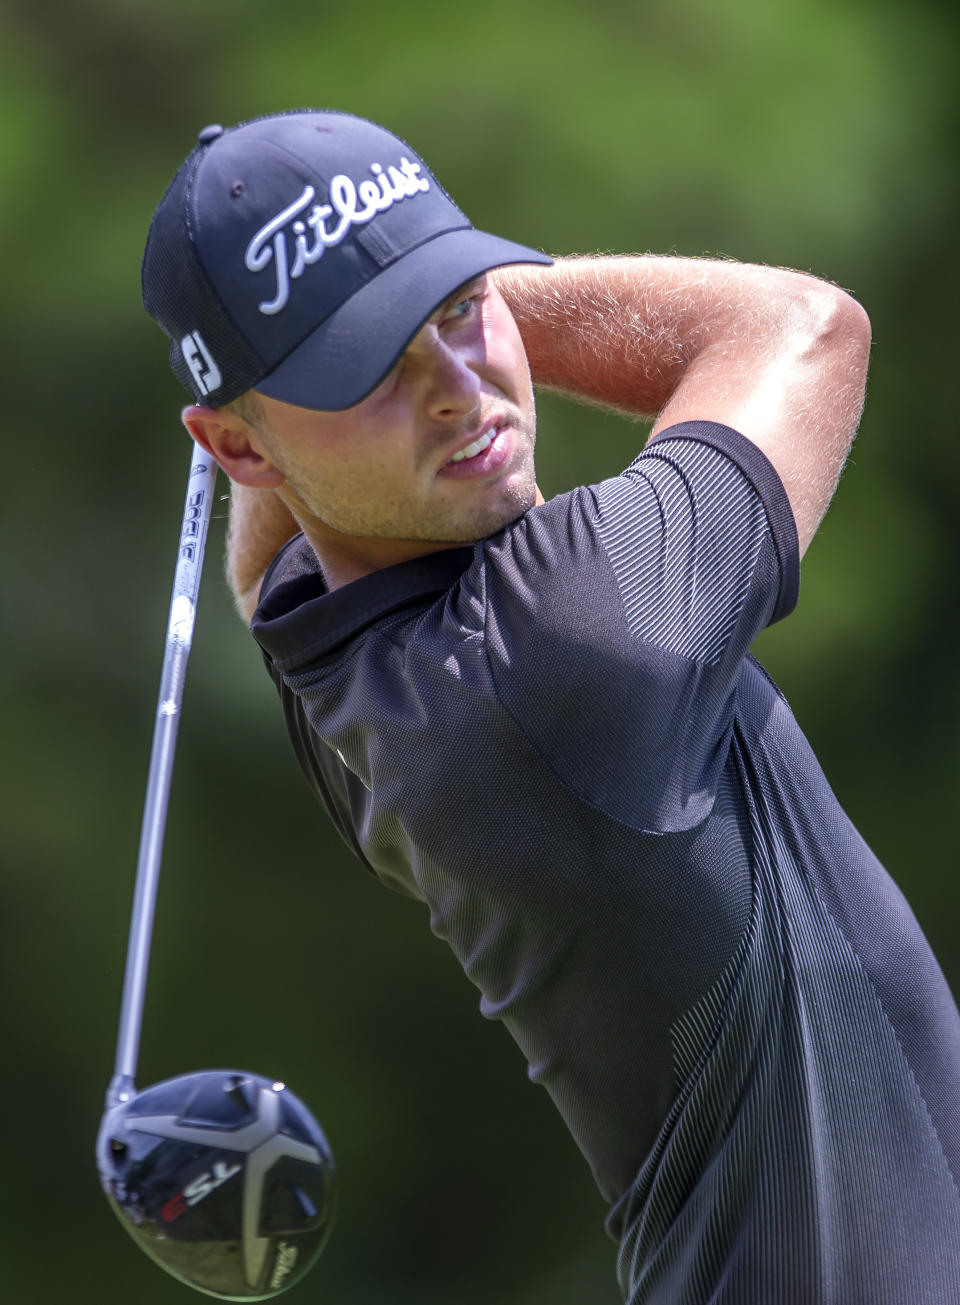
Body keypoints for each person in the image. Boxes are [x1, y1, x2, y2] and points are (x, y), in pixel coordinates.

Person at [141, 110, 960, 1304]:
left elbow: (263, 567)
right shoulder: (572, 644)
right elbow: (801, 327)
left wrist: (339, 341)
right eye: (371, 367)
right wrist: (473, 281)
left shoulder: (327, 653)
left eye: (461, 313)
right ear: (238, 451)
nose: (460, 392)